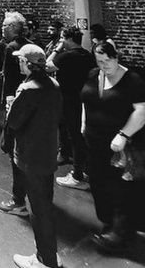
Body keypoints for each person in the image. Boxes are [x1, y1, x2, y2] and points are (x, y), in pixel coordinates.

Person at [81, 41, 145, 252]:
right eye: (100, 61)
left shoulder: (133, 80)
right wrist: (83, 123)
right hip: (95, 140)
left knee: (121, 187)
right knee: (98, 182)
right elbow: (86, 99)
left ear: (116, 57)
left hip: (121, 145)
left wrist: (123, 134)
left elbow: (143, 111)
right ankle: (109, 221)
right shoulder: (94, 74)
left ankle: (121, 232)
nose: (104, 65)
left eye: (108, 60)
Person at [5, 45, 63, 268]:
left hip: (30, 154)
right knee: (45, 205)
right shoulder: (54, 84)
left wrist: (11, 107)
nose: (18, 63)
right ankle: (50, 253)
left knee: (38, 210)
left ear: (27, 64)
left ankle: (44, 259)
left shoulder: (28, 89)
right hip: (48, 151)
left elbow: (15, 122)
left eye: (20, 60)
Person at [47, 27, 95, 187]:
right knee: (82, 136)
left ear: (68, 39)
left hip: (69, 100)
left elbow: (46, 66)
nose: (61, 41)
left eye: (62, 38)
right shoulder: (87, 55)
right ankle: (86, 170)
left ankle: (77, 175)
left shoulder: (66, 56)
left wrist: (56, 49)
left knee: (75, 137)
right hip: (84, 100)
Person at [0, 11, 32, 216]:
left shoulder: (10, 48)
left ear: (12, 28)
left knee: (14, 151)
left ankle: (18, 200)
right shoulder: (29, 44)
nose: (2, 28)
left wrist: (6, 103)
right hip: (28, 105)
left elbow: (8, 80)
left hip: (15, 104)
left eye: (4, 25)